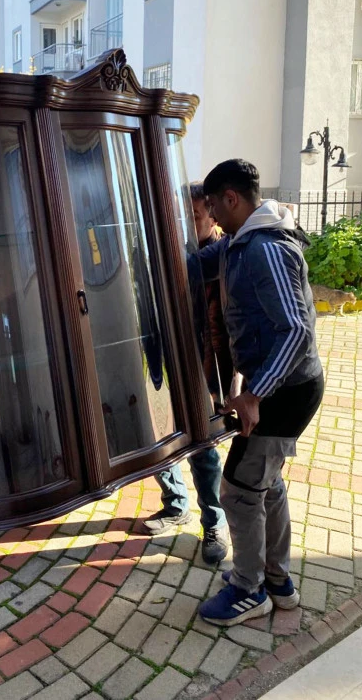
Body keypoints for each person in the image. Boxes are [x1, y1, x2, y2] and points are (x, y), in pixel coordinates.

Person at [195, 160, 324, 627]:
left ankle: (249, 590)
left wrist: (254, 395)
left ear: (231, 199)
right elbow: (198, 264)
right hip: (279, 385)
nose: (210, 217)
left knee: (238, 489)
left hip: (286, 390)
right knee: (264, 483)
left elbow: (296, 331)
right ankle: (278, 581)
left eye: (212, 206)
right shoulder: (241, 241)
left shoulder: (265, 249)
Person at [143, 184, 232, 566]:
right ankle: (176, 504)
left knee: (202, 448)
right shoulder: (168, 253)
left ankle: (215, 522)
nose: (184, 223)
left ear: (213, 216)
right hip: (167, 361)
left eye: (193, 216)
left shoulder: (223, 257)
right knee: (158, 436)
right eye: (180, 215)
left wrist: (220, 382)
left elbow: (226, 327)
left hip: (204, 368)